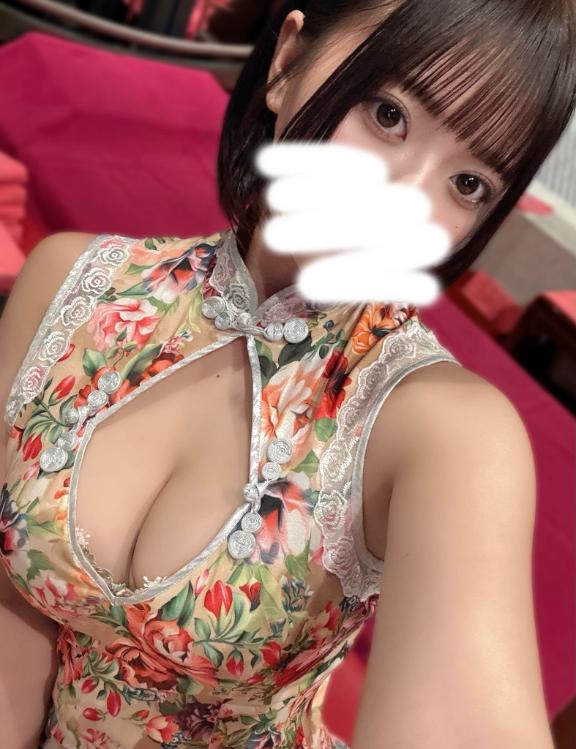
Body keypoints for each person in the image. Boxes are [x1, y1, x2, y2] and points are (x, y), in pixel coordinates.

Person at [1, 0, 575, 747]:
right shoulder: (72, 284)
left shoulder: (443, 430)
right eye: (389, 115)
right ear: (287, 62)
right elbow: (14, 614)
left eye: (469, 184)